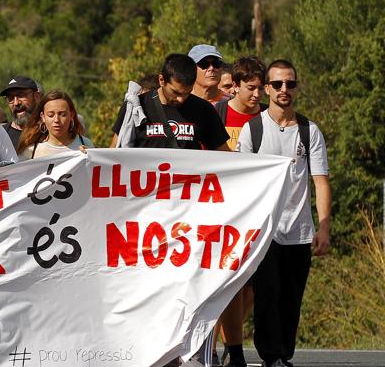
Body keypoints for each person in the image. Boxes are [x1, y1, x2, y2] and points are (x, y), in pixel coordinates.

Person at [238, 60, 332, 367]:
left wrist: (324, 228)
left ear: (297, 88)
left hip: (299, 230)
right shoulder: (252, 130)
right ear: (267, 88)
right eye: (277, 84)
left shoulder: (310, 131)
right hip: (264, 230)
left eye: (290, 84)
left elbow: (320, 181)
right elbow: (240, 181)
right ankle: (271, 357)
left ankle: (283, 354)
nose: (284, 90)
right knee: (267, 294)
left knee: (291, 298)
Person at [213, 55, 266, 367]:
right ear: (235, 86)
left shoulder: (266, 119)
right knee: (231, 283)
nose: (257, 94)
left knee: (249, 290)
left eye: (261, 88)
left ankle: (227, 338)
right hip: (222, 211)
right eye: (252, 87)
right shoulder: (217, 114)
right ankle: (232, 350)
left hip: (257, 210)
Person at [114, 54, 230, 152]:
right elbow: (115, 150)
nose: (181, 99)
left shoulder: (204, 109)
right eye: (175, 92)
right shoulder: (137, 106)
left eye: (187, 93)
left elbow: (224, 155)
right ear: (162, 80)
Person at [16, 91, 93, 159]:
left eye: (62, 114)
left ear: (71, 115)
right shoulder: (31, 151)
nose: (56, 120)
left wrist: (90, 157)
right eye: (50, 115)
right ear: (43, 117)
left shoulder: (85, 144)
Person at [0, 75, 41, 151]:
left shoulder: (49, 131)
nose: (16, 103)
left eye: (21, 95)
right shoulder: (1, 135)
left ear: (36, 97)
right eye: (10, 98)